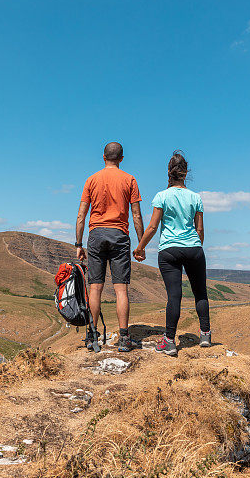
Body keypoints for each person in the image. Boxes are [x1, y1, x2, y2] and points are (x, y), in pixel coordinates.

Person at [133, 151, 211, 357]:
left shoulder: (162, 196)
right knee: (200, 292)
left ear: (169, 172)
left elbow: (152, 227)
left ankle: (169, 341)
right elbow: (200, 229)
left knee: (174, 296)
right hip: (193, 248)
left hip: (169, 250)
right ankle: (205, 334)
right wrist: (196, 247)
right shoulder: (196, 197)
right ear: (186, 173)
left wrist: (140, 248)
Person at [75, 142, 145, 352]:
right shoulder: (129, 180)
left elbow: (81, 215)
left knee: (95, 287)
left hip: (96, 235)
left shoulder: (92, 179)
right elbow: (137, 216)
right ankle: (124, 338)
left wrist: (79, 244)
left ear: (103, 157)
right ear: (122, 158)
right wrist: (141, 244)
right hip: (119, 235)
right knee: (121, 289)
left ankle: (92, 336)